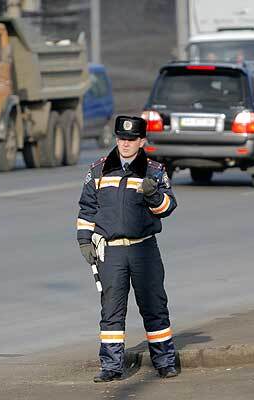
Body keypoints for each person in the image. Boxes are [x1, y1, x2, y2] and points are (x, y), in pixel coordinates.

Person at [76, 116, 179, 382]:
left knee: (154, 305)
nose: (125, 144)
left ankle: (165, 361)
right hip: (111, 252)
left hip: (144, 249)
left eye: (131, 140)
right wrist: (85, 241)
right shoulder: (99, 170)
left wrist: (153, 194)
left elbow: (167, 208)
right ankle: (111, 366)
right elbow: (87, 208)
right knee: (111, 310)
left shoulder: (154, 171)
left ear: (142, 141)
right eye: (121, 138)